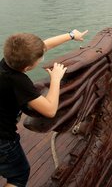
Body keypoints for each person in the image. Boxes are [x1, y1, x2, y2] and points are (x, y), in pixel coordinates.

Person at [0, 28, 88, 187]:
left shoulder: (6, 62)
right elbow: (50, 110)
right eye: (39, 59)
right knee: (19, 175)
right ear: (27, 68)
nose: (42, 57)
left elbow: (44, 45)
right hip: (3, 140)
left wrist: (71, 36)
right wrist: (55, 79)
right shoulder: (19, 81)